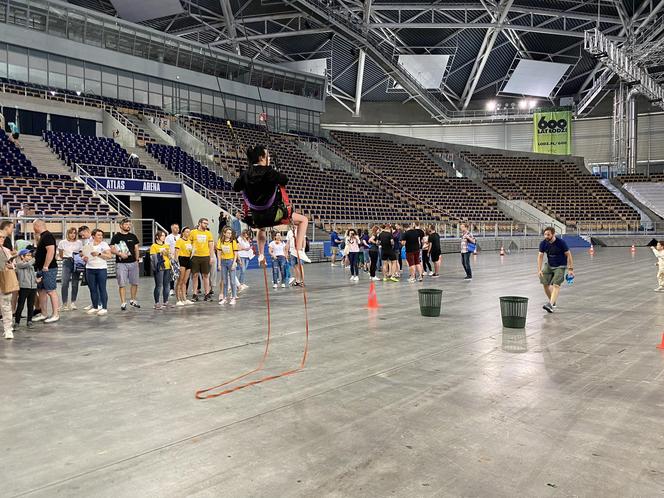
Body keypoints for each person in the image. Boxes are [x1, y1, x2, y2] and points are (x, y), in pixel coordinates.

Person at [233, 145, 310, 265]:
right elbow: (285, 180)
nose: (268, 158)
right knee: (303, 220)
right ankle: (299, 250)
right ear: (261, 158)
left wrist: (243, 176)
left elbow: (236, 187)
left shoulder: (245, 174)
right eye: (267, 156)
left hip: (256, 218)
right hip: (274, 215)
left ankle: (261, 254)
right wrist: (276, 171)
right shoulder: (269, 171)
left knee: (261, 228)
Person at [538, 226, 574, 313]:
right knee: (545, 284)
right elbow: (540, 256)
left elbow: (568, 255)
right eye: (545, 234)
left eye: (548, 234)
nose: (546, 236)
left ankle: (550, 304)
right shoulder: (543, 243)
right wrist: (539, 269)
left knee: (556, 285)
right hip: (549, 265)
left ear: (553, 234)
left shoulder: (561, 243)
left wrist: (570, 269)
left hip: (560, 266)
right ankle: (552, 301)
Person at [32, 219, 60, 324]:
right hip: (41, 269)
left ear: (37, 226)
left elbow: (51, 251)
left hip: (48, 269)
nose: (33, 229)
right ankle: (44, 313)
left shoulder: (47, 236)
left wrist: (46, 266)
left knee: (50, 291)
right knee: (41, 291)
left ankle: (55, 314)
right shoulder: (42, 236)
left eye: (33, 226)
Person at [110, 218, 141, 311]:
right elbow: (112, 249)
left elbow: (136, 249)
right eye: (126, 224)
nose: (128, 226)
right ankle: (123, 302)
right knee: (122, 283)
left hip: (133, 262)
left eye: (129, 224)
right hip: (121, 263)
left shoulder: (133, 236)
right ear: (121, 226)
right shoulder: (116, 237)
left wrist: (137, 260)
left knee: (135, 282)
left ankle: (133, 300)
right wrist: (120, 254)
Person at [82, 229, 112, 315]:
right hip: (90, 268)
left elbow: (109, 256)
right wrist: (84, 258)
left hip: (101, 269)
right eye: (98, 235)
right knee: (93, 289)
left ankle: (104, 307)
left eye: (101, 235)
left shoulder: (104, 244)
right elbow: (84, 254)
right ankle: (95, 306)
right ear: (93, 236)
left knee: (102, 288)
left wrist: (99, 254)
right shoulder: (88, 244)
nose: (100, 237)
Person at [189, 218, 214, 302]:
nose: (206, 225)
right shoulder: (193, 232)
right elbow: (189, 244)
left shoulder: (208, 233)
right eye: (204, 223)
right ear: (199, 223)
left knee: (206, 276)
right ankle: (195, 294)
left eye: (207, 224)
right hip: (195, 257)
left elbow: (211, 246)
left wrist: (211, 257)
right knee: (195, 275)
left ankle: (207, 294)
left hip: (205, 256)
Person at [57, 227, 83, 311]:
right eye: (71, 233)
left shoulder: (79, 242)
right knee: (64, 283)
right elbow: (61, 255)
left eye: (74, 233)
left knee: (75, 283)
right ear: (68, 234)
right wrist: (66, 257)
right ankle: (64, 303)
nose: (73, 235)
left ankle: (73, 303)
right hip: (67, 261)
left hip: (77, 262)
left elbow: (81, 253)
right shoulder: (62, 242)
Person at [14, 248, 37, 329]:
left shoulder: (31, 266)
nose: (30, 257)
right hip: (24, 288)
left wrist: (36, 280)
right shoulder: (19, 264)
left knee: (30, 305)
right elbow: (27, 265)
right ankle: (17, 322)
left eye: (30, 255)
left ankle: (29, 321)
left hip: (33, 288)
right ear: (22, 256)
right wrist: (35, 257)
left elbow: (33, 275)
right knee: (20, 305)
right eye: (28, 255)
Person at [216, 227, 239, 305]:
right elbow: (219, 253)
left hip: (231, 261)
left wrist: (234, 263)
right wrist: (219, 264)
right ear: (224, 233)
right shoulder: (220, 241)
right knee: (225, 281)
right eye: (228, 233)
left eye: (230, 233)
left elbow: (235, 253)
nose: (229, 234)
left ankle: (233, 297)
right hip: (223, 262)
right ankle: (225, 297)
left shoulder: (233, 242)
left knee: (232, 281)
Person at [150, 230, 172, 310]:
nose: (164, 237)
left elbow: (170, 256)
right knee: (159, 285)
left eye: (164, 235)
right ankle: (156, 303)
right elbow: (153, 257)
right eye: (162, 235)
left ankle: (166, 301)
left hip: (167, 267)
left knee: (167, 285)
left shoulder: (166, 245)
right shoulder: (154, 246)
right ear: (157, 237)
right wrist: (161, 253)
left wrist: (169, 254)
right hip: (159, 267)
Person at [0, 235, 15, 339]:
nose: (2, 239)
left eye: (3, 237)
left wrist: (11, 266)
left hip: (4, 278)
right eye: (0, 237)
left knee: (6, 304)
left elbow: (12, 264)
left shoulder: (6, 250)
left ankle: (8, 329)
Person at [174, 226, 194, 306]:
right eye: (186, 232)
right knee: (180, 280)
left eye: (189, 232)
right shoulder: (179, 241)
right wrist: (176, 262)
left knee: (185, 281)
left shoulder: (189, 241)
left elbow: (190, 251)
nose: (188, 233)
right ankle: (178, 299)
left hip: (188, 259)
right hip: (181, 259)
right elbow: (176, 252)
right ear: (183, 233)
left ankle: (184, 298)